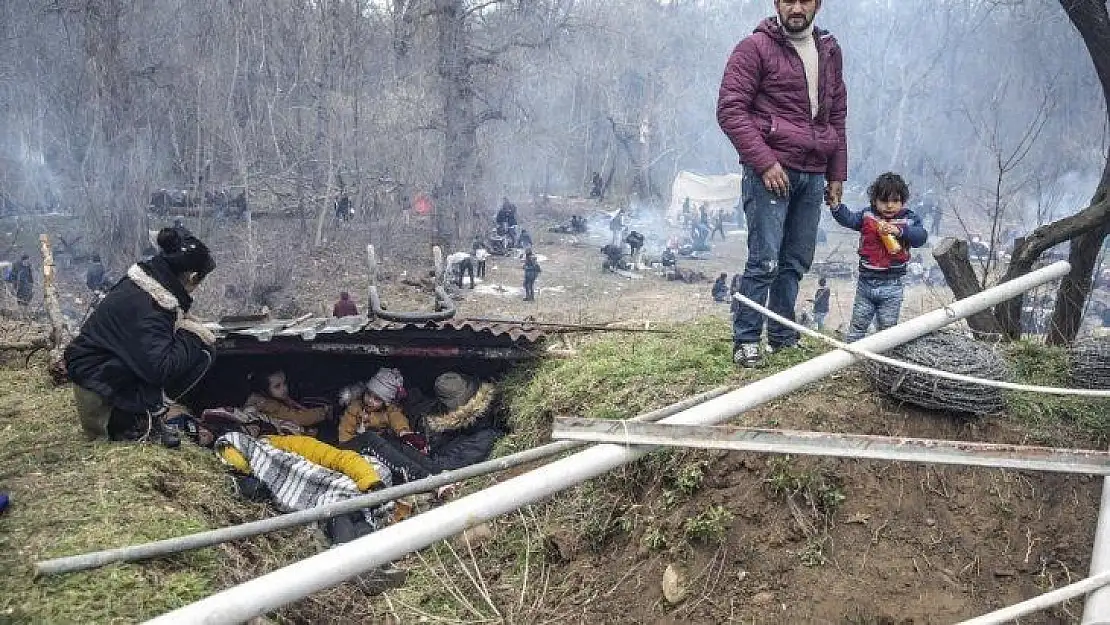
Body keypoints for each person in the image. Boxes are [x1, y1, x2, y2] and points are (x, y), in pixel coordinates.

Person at [717, 0, 848, 367]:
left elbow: (836, 115)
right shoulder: (754, 48)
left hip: (814, 171)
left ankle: (781, 336)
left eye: (804, 0)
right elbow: (730, 110)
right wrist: (765, 163)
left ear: (817, 5)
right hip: (771, 172)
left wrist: (837, 173)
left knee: (795, 261)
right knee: (764, 261)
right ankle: (746, 341)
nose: (796, 7)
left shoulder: (830, 52)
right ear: (776, 3)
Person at [64, 226, 217, 447]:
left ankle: (147, 414)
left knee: (192, 346)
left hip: (101, 375)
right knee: (203, 351)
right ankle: (131, 423)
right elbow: (159, 369)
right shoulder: (151, 306)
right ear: (192, 276)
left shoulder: (145, 287)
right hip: (99, 392)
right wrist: (191, 335)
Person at [829, 172, 928, 342]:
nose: (889, 206)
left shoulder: (908, 219)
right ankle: (851, 356)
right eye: (884, 201)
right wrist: (836, 207)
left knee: (887, 329)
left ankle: (884, 361)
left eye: (895, 201)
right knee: (858, 325)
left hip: (892, 285)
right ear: (874, 201)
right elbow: (850, 219)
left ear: (902, 202)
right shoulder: (868, 216)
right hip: (866, 283)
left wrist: (899, 231)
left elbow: (921, 237)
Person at [245, 368, 330, 428]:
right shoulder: (268, 405)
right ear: (263, 391)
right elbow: (300, 418)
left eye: (284, 383)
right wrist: (324, 412)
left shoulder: (278, 398)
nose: (284, 388)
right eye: (277, 386)